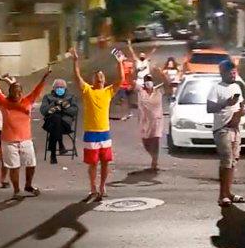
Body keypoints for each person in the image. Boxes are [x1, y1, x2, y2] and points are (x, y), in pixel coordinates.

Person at [0, 63, 51, 198]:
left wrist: (45, 76)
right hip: (9, 141)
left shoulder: (27, 101)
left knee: (31, 164)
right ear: (10, 92)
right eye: (14, 91)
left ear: (22, 92)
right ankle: (16, 190)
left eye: (19, 91)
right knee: (14, 167)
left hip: (26, 139)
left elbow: (37, 90)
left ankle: (28, 185)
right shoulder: (4, 102)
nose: (17, 94)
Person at [71, 47, 124, 200]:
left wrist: (120, 62)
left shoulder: (108, 91)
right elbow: (77, 78)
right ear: (93, 80)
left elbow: (121, 79)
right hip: (91, 134)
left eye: (101, 76)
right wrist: (75, 61)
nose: (99, 78)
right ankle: (93, 187)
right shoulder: (88, 90)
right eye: (97, 76)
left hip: (104, 133)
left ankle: (102, 186)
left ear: (104, 80)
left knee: (106, 162)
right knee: (93, 163)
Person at [207, 60, 245, 207]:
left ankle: (228, 193)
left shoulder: (236, 86)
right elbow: (209, 108)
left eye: (235, 72)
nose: (233, 75)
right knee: (226, 159)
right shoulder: (216, 88)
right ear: (222, 73)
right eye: (230, 73)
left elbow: (241, 105)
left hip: (235, 128)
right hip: (222, 128)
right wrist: (225, 103)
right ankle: (221, 195)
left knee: (233, 160)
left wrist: (243, 110)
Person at [39, 78, 78, 164]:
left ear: (65, 88)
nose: (59, 89)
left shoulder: (70, 97)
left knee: (56, 120)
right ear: (53, 88)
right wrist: (54, 104)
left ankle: (53, 154)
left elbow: (74, 111)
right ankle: (60, 145)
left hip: (65, 125)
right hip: (50, 124)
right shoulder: (48, 97)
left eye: (62, 87)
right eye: (57, 87)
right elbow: (43, 111)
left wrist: (64, 107)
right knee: (55, 118)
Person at [137, 71, 166, 170]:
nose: (148, 82)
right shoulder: (141, 92)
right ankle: (153, 156)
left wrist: (162, 74)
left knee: (155, 140)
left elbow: (167, 85)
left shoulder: (158, 91)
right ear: (144, 82)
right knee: (146, 142)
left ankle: (155, 160)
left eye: (150, 80)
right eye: (147, 81)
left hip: (156, 121)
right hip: (144, 121)